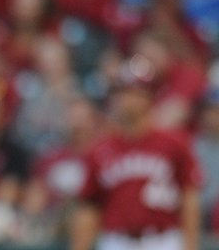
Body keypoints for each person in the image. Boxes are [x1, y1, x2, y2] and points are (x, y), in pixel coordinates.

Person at [70, 79, 202, 250]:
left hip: (163, 240)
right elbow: (89, 208)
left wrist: (191, 245)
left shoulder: (174, 143)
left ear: (147, 98)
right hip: (116, 241)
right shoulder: (100, 150)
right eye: (119, 93)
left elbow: (189, 198)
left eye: (130, 93)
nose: (122, 99)